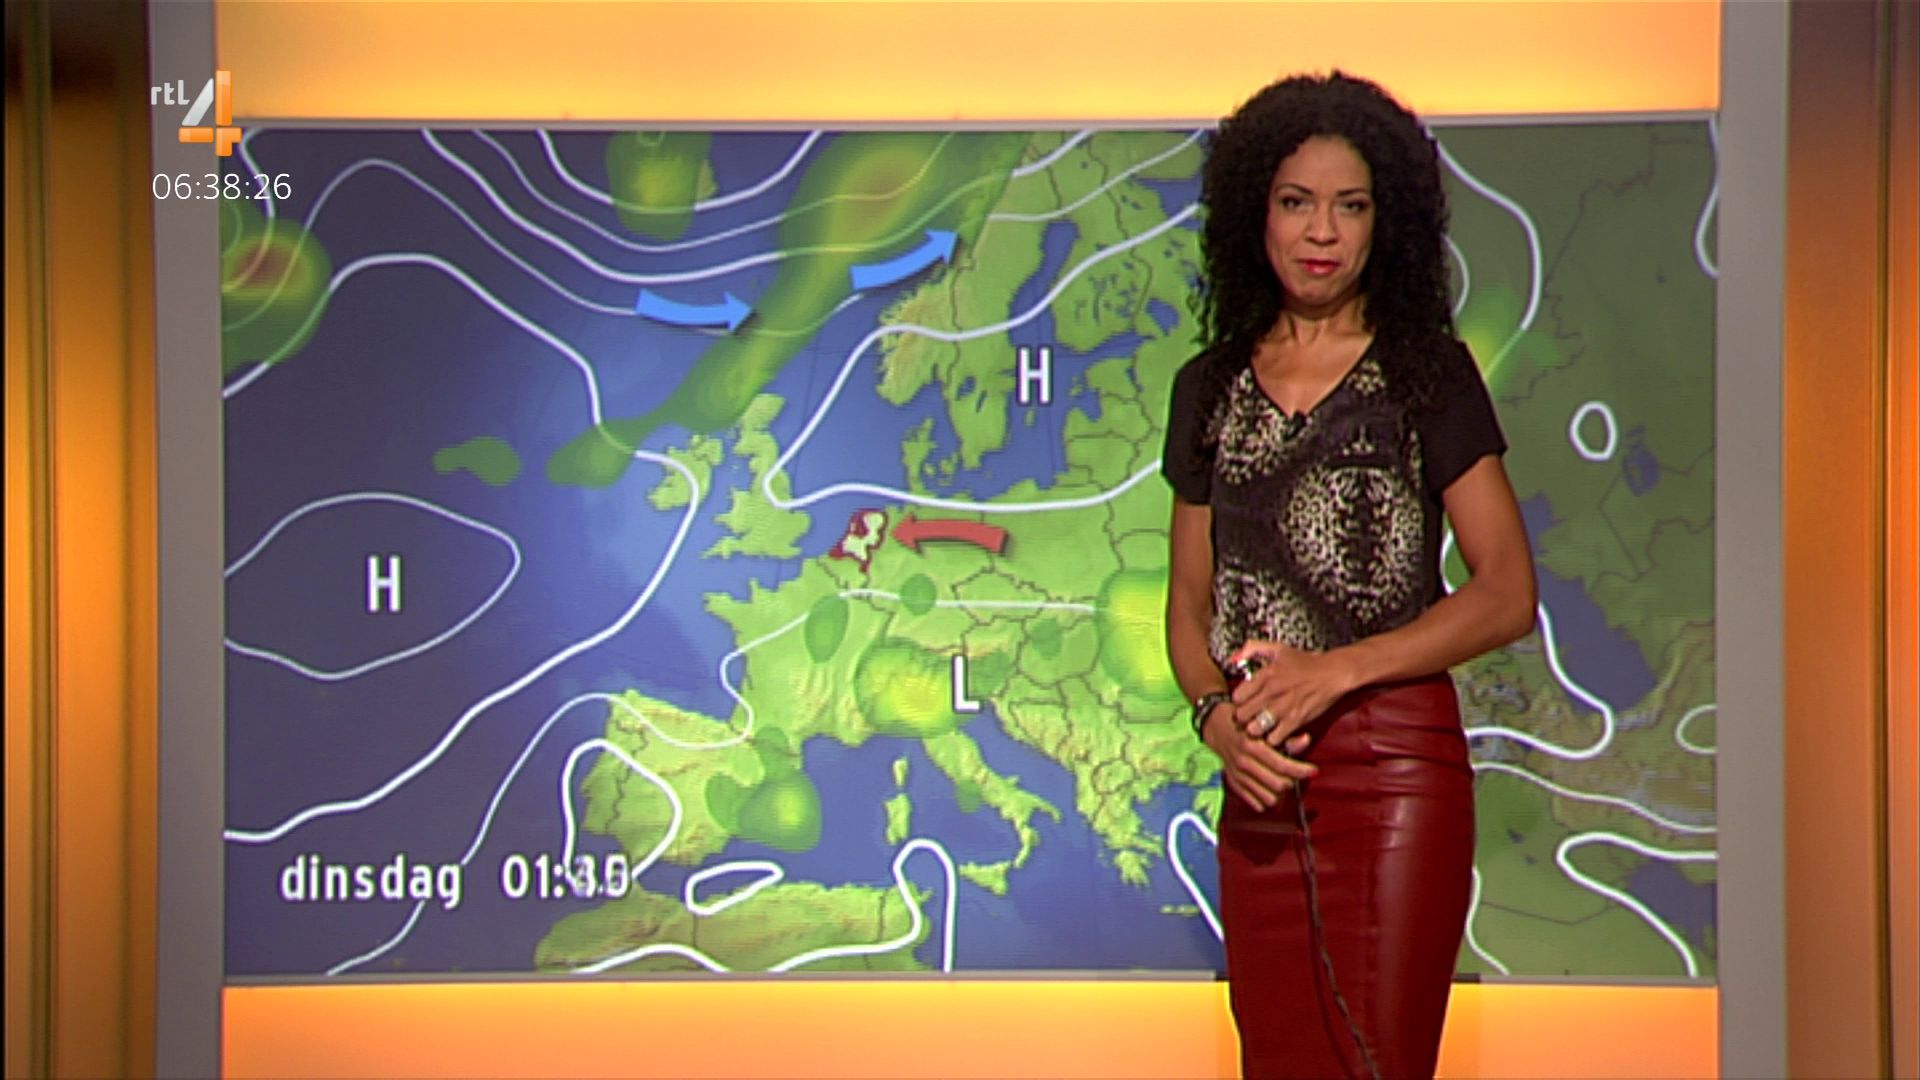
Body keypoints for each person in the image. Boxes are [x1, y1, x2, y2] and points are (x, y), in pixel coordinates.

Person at [1162, 72, 1537, 1079]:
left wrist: (1336, 671)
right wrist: (1215, 721)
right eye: (1297, 202)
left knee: (1376, 1058)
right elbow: (1189, 605)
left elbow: (1506, 591)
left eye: (1351, 205)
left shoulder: (1427, 374)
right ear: (1256, 213)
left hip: (1393, 770)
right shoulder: (1208, 388)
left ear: (1386, 222)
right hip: (1261, 773)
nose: (1322, 231)